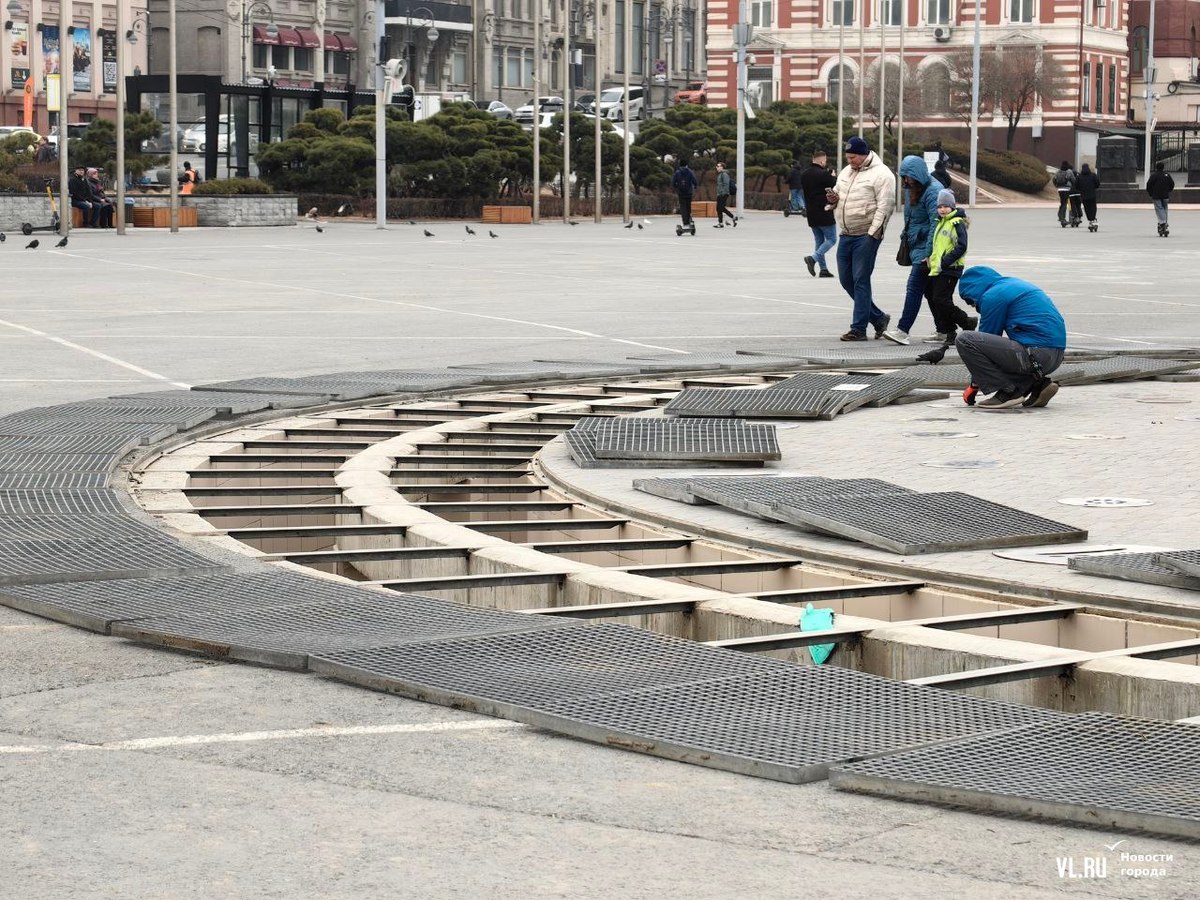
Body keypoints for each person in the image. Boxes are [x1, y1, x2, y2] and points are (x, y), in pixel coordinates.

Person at [955, 265, 1066, 410]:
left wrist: (974, 385)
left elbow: (986, 338)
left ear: (973, 290)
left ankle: (1008, 391)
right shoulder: (1014, 285)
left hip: (1036, 354)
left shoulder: (993, 296)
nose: (973, 305)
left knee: (965, 339)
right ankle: (1038, 385)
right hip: (1055, 357)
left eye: (970, 301)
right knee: (1009, 347)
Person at [828, 135, 896, 342]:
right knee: (846, 279)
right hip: (846, 233)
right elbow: (839, 194)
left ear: (864, 154)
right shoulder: (846, 172)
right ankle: (878, 318)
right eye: (847, 157)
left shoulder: (883, 174)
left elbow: (885, 207)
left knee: (861, 281)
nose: (849, 161)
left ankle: (858, 329)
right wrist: (833, 199)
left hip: (866, 235)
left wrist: (873, 234)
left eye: (853, 157)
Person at [881, 155, 941, 346]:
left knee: (914, 288)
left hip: (927, 250)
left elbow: (936, 224)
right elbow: (912, 218)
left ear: (918, 175)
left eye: (909, 176)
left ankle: (902, 330)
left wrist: (930, 253)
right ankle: (946, 330)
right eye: (904, 177)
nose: (906, 181)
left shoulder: (933, 191)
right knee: (931, 293)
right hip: (917, 244)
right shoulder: (913, 188)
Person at [923, 189, 976, 346]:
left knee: (940, 299)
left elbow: (962, 246)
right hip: (938, 268)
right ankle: (950, 332)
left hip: (950, 269)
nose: (942, 209)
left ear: (952, 206)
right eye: (940, 207)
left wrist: (945, 261)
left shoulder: (956, 222)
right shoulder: (941, 222)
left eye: (946, 206)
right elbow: (938, 246)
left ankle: (966, 321)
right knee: (938, 300)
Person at [799, 149, 837, 278]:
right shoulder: (823, 174)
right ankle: (813, 258)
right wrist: (832, 176)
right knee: (832, 239)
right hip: (824, 210)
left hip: (811, 212)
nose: (825, 163)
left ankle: (823, 269)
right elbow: (835, 185)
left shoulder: (804, 174)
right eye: (825, 161)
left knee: (819, 241)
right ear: (821, 160)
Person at [1147, 162, 1175, 237]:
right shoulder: (1167, 175)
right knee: (1164, 208)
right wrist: (1168, 190)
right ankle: (1164, 222)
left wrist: (1151, 193)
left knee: (1159, 208)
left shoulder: (1154, 176)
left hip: (1156, 196)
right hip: (1165, 196)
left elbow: (1149, 185)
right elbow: (1172, 184)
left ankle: (1162, 223)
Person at [671, 158, 698, 229]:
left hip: (681, 193)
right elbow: (695, 181)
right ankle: (689, 221)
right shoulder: (690, 172)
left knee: (683, 208)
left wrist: (676, 188)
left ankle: (685, 223)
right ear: (686, 165)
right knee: (688, 207)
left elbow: (673, 183)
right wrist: (694, 186)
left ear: (680, 165)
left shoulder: (677, 172)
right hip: (689, 192)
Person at [1075, 163, 1101, 232]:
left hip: (1084, 196)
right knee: (1093, 207)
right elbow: (1097, 184)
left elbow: (1076, 186)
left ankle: (1090, 220)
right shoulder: (1093, 175)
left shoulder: (1079, 177)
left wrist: (1081, 189)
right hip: (1092, 195)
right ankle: (1093, 219)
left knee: (1087, 208)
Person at [714, 162, 737, 228]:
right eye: (717, 166)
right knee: (720, 208)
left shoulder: (724, 174)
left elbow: (726, 184)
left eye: (718, 166)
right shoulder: (720, 174)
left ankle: (721, 223)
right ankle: (732, 218)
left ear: (722, 167)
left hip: (723, 194)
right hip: (720, 194)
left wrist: (722, 193)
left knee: (719, 208)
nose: (717, 167)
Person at [1053, 161, 1076, 227]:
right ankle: (1064, 218)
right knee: (1066, 203)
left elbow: (1054, 179)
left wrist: (1057, 186)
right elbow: (1073, 180)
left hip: (1060, 189)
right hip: (1067, 189)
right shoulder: (1069, 171)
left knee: (1062, 202)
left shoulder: (1058, 171)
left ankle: (1061, 216)